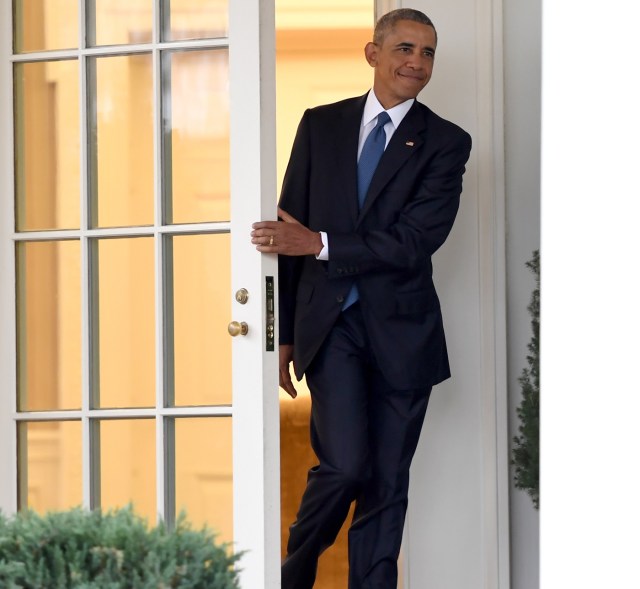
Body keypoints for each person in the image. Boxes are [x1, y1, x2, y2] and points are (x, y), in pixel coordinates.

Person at [251, 8, 472, 589]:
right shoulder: (319, 126)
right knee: (346, 466)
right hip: (333, 327)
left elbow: (414, 242)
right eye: (404, 49)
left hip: (404, 332)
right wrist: (286, 337)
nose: (416, 64)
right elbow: (290, 231)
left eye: (427, 53)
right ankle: (293, 576)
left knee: (386, 481)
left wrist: (319, 241)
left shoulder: (446, 142)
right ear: (372, 54)